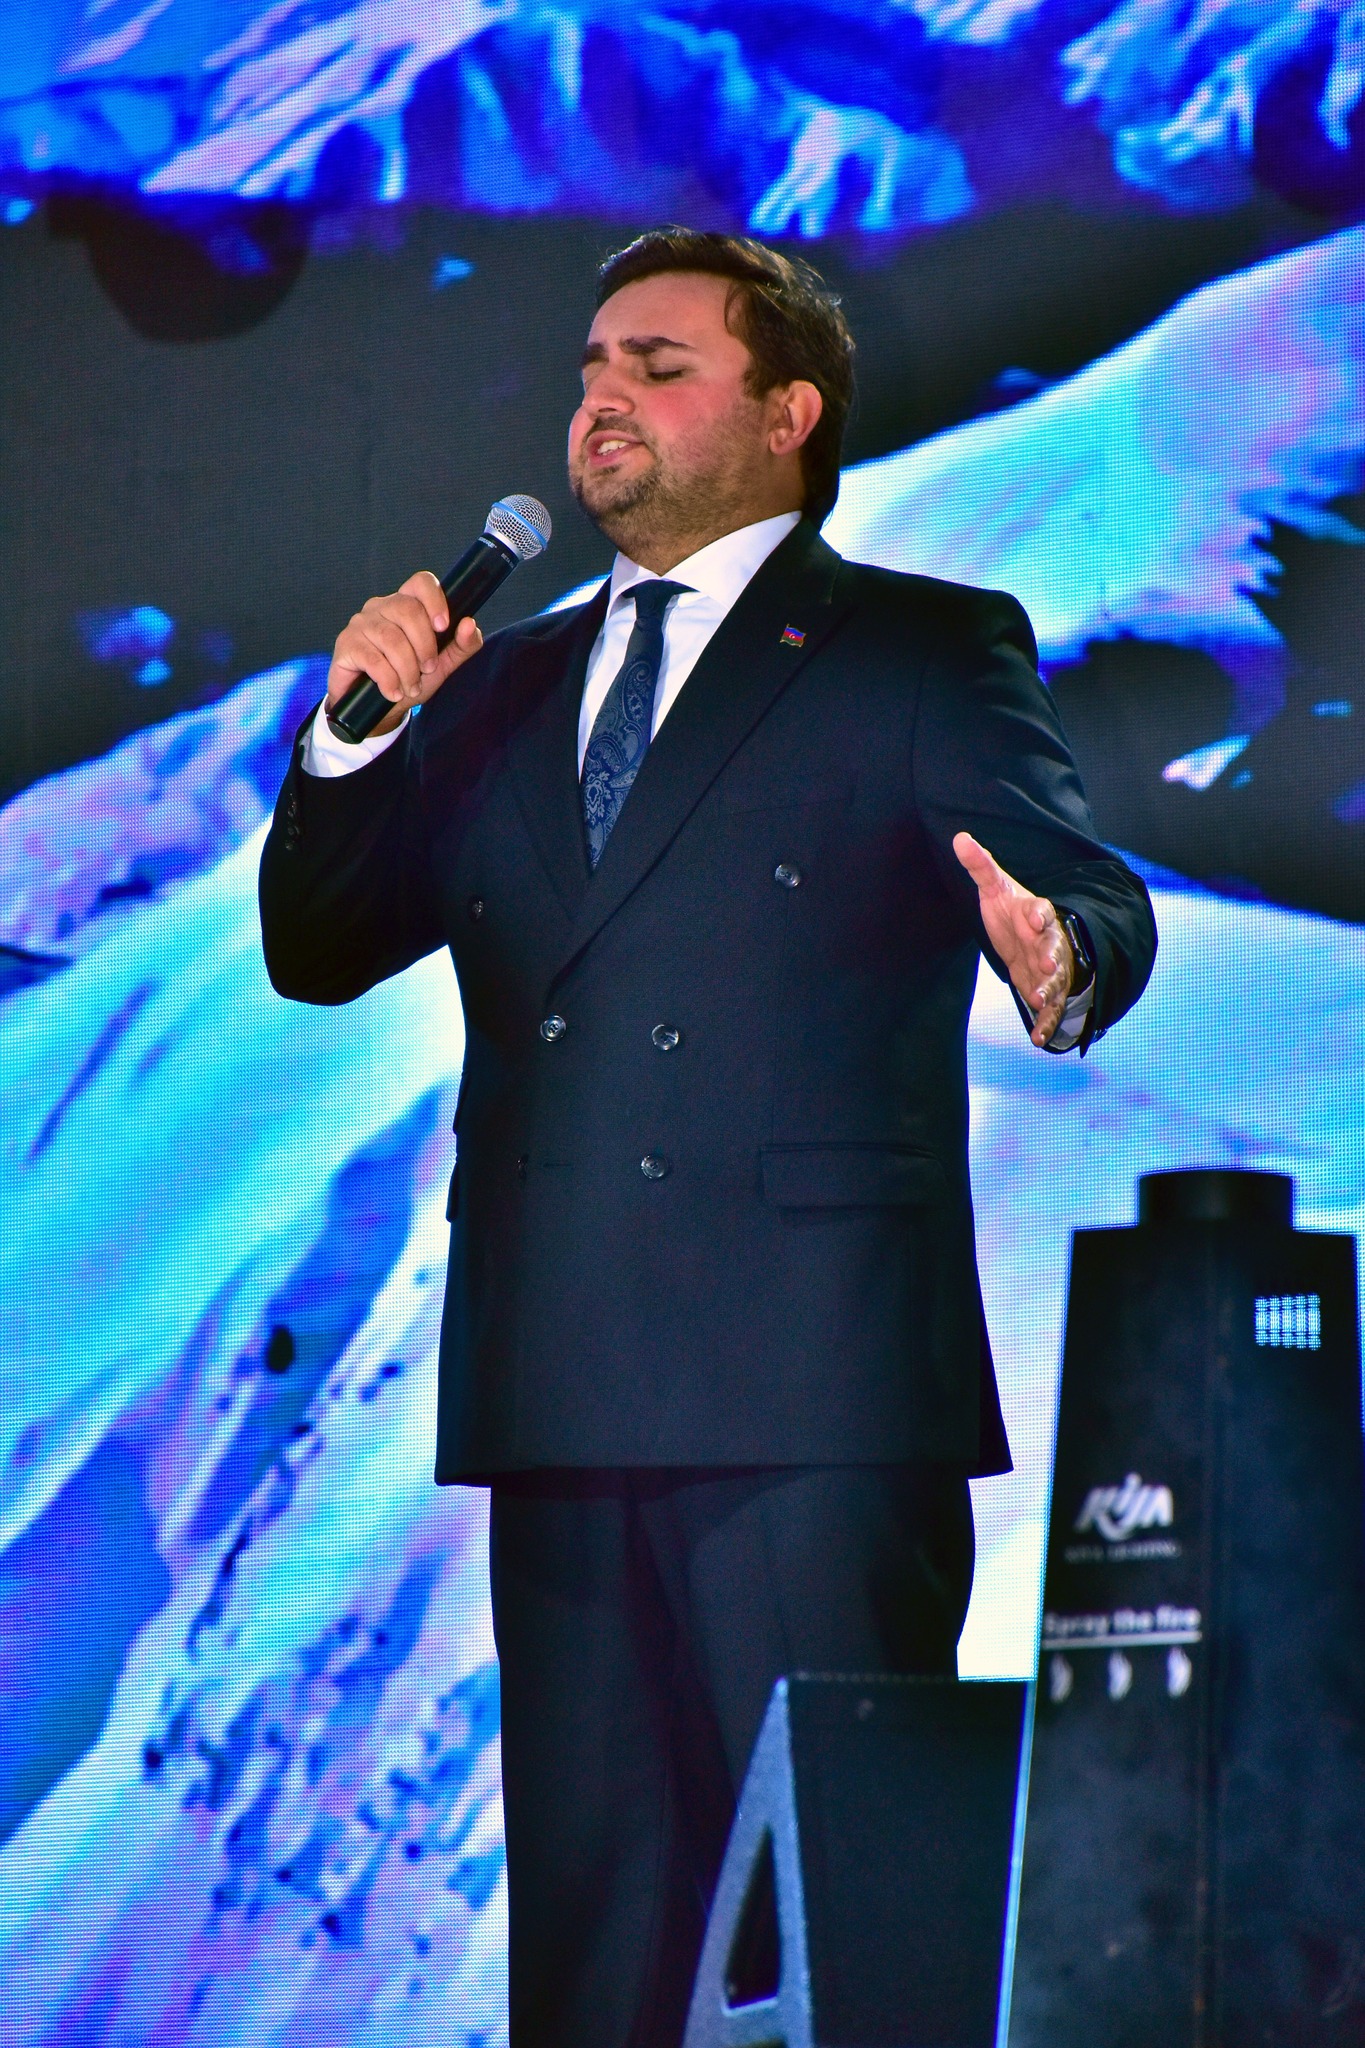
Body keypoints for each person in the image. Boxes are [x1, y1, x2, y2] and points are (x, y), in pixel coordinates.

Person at [259, 227, 1156, 2047]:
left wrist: (1063, 957)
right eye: (592, 366)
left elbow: (1076, 881)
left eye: (658, 367)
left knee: (837, 1934)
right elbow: (319, 948)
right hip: (559, 1377)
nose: (603, 399)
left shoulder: (914, 646)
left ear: (787, 412)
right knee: (601, 1950)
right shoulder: (498, 683)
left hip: (809, 1397)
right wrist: (350, 752)